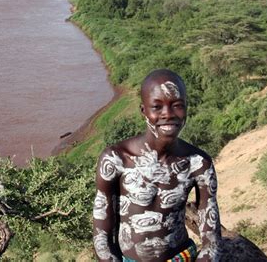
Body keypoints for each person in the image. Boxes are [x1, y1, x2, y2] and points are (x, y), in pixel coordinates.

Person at [93, 69, 222, 262]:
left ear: (187, 107)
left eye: (177, 105)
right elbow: (102, 235)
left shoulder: (198, 163)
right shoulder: (116, 159)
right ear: (143, 110)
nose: (168, 114)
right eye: (157, 107)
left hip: (181, 257)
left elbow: (212, 240)